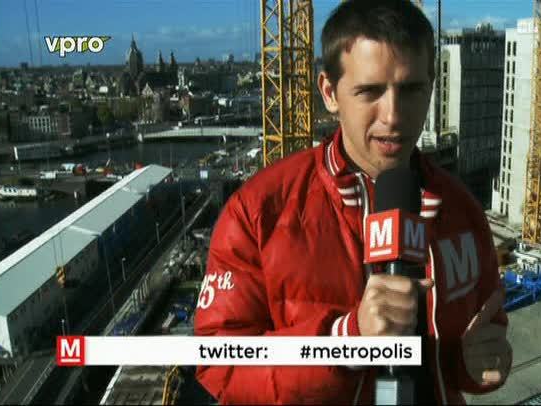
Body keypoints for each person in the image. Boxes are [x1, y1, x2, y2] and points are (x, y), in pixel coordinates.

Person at [194, 0, 512, 404]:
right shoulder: (258, 213)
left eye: (411, 89)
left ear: (431, 87)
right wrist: (345, 340)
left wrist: (474, 365)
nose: (393, 116)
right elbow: (219, 364)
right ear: (330, 92)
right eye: (370, 91)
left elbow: (481, 338)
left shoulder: (461, 208)